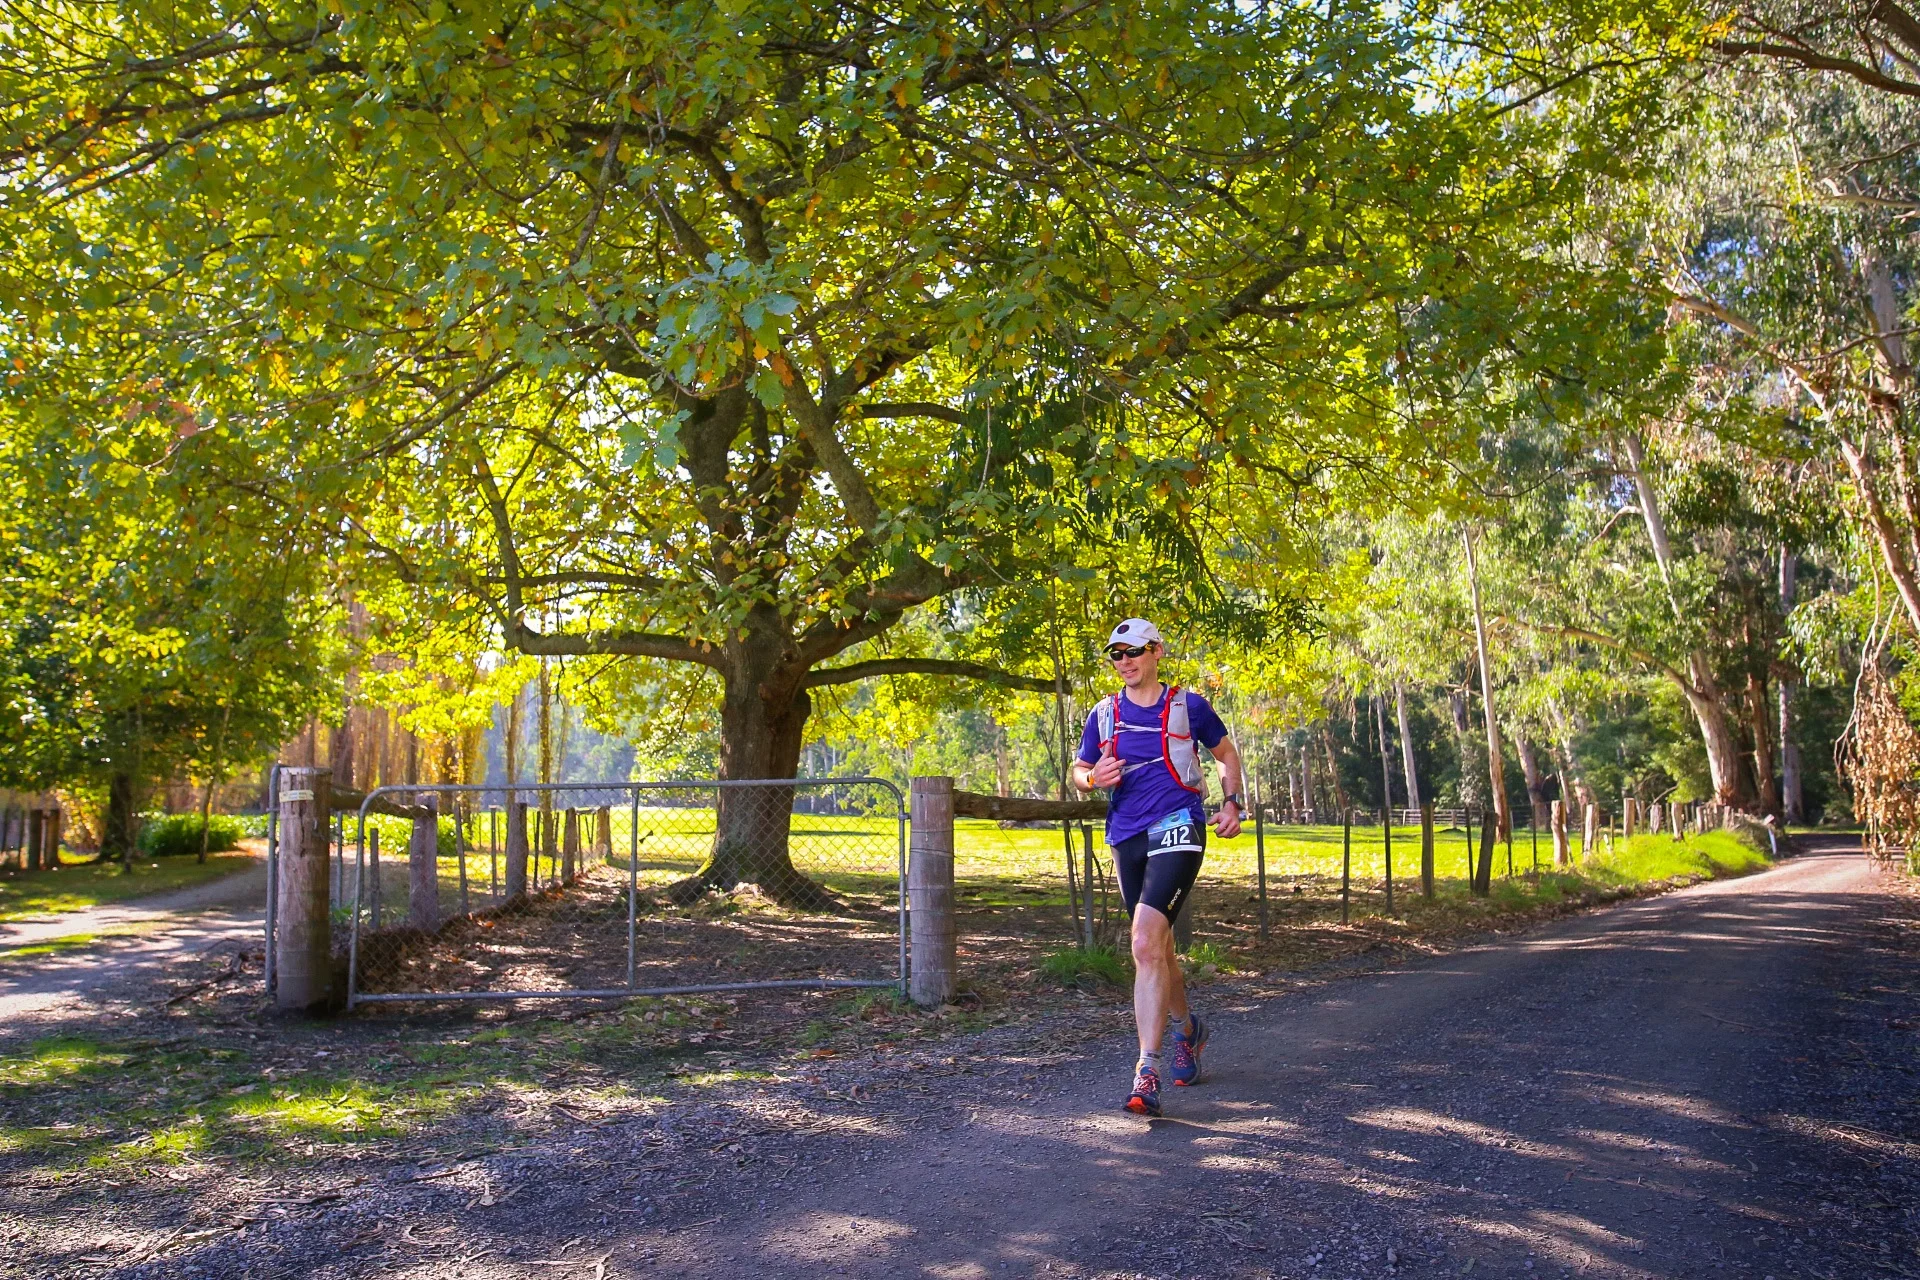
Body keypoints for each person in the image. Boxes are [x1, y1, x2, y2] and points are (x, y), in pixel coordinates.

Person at [1071, 618, 1245, 1116]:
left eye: (1133, 651)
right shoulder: (1103, 714)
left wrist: (1232, 803)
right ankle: (1189, 1030)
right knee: (1158, 949)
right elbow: (1080, 769)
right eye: (1115, 654)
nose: (1124, 661)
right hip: (1127, 832)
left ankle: (1147, 1070)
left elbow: (1226, 753)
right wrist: (1090, 779)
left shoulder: (1189, 706)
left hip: (1179, 823)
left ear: (1156, 652)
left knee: (1145, 941)